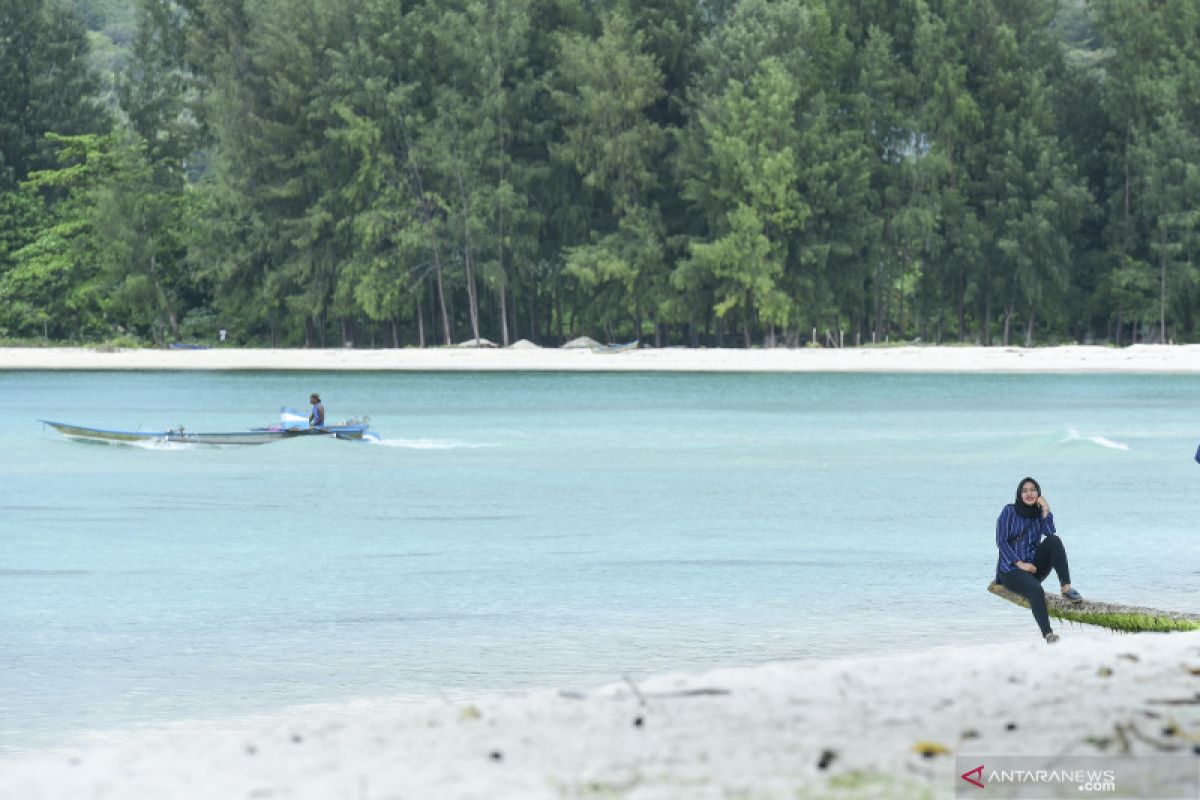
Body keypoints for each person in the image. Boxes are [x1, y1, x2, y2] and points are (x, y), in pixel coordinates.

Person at [995, 477, 1083, 644]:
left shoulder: (1039, 514)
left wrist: (1045, 509)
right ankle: (1048, 634)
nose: (1029, 493)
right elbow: (1001, 542)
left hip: (1033, 568)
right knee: (1036, 591)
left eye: (1033, 490)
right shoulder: (1009, 511)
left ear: (1038, 493)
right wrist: (1021, 564)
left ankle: (1066, 588)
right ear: (1019, 494)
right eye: (1025, 490)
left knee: (1054, 541)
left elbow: (1049, 532)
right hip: (1011, 569)